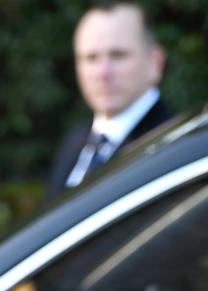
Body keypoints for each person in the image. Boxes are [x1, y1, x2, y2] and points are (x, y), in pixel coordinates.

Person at [48, 3, 172, 194]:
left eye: (118, 55)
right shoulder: (74, 142)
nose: (103, 72)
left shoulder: (171, 147)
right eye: (91, 58)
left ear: (154, 63)